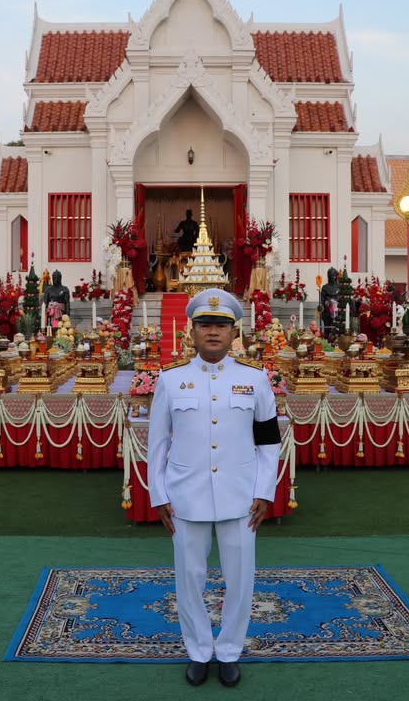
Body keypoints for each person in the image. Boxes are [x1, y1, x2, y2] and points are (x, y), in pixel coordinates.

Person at [147, 288, 282, 688]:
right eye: (205, 324)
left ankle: (229, 651)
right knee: (190, 578)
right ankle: (198, 650)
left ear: (233, 332)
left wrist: (264, 491)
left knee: (240, 578)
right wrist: (159, 494)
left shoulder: (255, 379)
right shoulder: (171, 380)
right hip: (185, 495)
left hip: (241, 496)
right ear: (191, 331)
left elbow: (269, 442)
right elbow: (157, 444)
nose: (212, 332)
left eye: (221, 325)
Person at [317, 267, 341, 337]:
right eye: (330, 275)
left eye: (333, 274)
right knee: (327, 330)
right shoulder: (325, 287)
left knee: (337, 330)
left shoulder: (339, 287)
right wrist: (320, 305)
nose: (332, 276)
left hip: (337, 311)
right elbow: (322, 299)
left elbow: (341, 298)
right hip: (327, 311)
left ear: (336, 276)